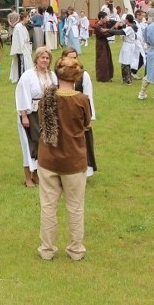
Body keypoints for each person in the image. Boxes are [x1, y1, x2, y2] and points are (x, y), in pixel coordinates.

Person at [36, 55, 92, 261]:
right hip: (73, 160)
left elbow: (41, 121)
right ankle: (76, 249)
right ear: (77, 76)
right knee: (75, 206)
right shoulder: (81, 100)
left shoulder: (46, 98)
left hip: (48, 158)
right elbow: (87, 124)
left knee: (48, 205)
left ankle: (47, 249)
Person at [15, 47, 57, 188]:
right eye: (42, 57)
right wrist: (24, 115)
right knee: (30, 143)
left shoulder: (52, 75)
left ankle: (37, 175)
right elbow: (22, 95)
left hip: (46, 113)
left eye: (47, 58)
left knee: (43, 144)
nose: (45, 60)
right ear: (36, 59)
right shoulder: (28, 76)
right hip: (30, 113)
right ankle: (28, 177)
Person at [61, 47, 97, 177]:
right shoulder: (59, 75)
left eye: (75, 57)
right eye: (70, 57)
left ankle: (84, 171)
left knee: (82, 143)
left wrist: (89, 118)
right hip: (64, 113)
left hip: (79, 115)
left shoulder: (83, 75)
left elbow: (88, 97)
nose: (73, 60)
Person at [92, 12, 117, 82]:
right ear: (101, 18)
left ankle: (108, 76)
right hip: (100, 44)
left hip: (105, 43)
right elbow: (105, 34)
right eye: (105, 18)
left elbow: (112, 23)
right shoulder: (97, 26)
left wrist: (116, 24)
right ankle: (102, 77)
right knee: (102, 60)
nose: (106, 19)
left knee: (107, 59)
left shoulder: (104, 24)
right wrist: (114, 28)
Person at [10, 12, 32, 83]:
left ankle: (24, 77)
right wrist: (24, 46)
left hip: (25, 47)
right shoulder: (18, 26)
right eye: (28, 17)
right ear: (24, 18)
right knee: (22, 63)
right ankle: (21, 77)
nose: (28, 19)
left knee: (24, 62)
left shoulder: (23, 26)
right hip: (20, 49)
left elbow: (26, 37)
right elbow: (20, 39)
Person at [118, 14, 140, 84]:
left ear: (127, 20)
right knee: (125, 62)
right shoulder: (130, 26)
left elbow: (121, 32)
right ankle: (126, 79)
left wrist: (108, 31)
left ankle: (127, 80)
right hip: (128, 45)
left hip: (128, 45)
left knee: (126, 62)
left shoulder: (130, 28)